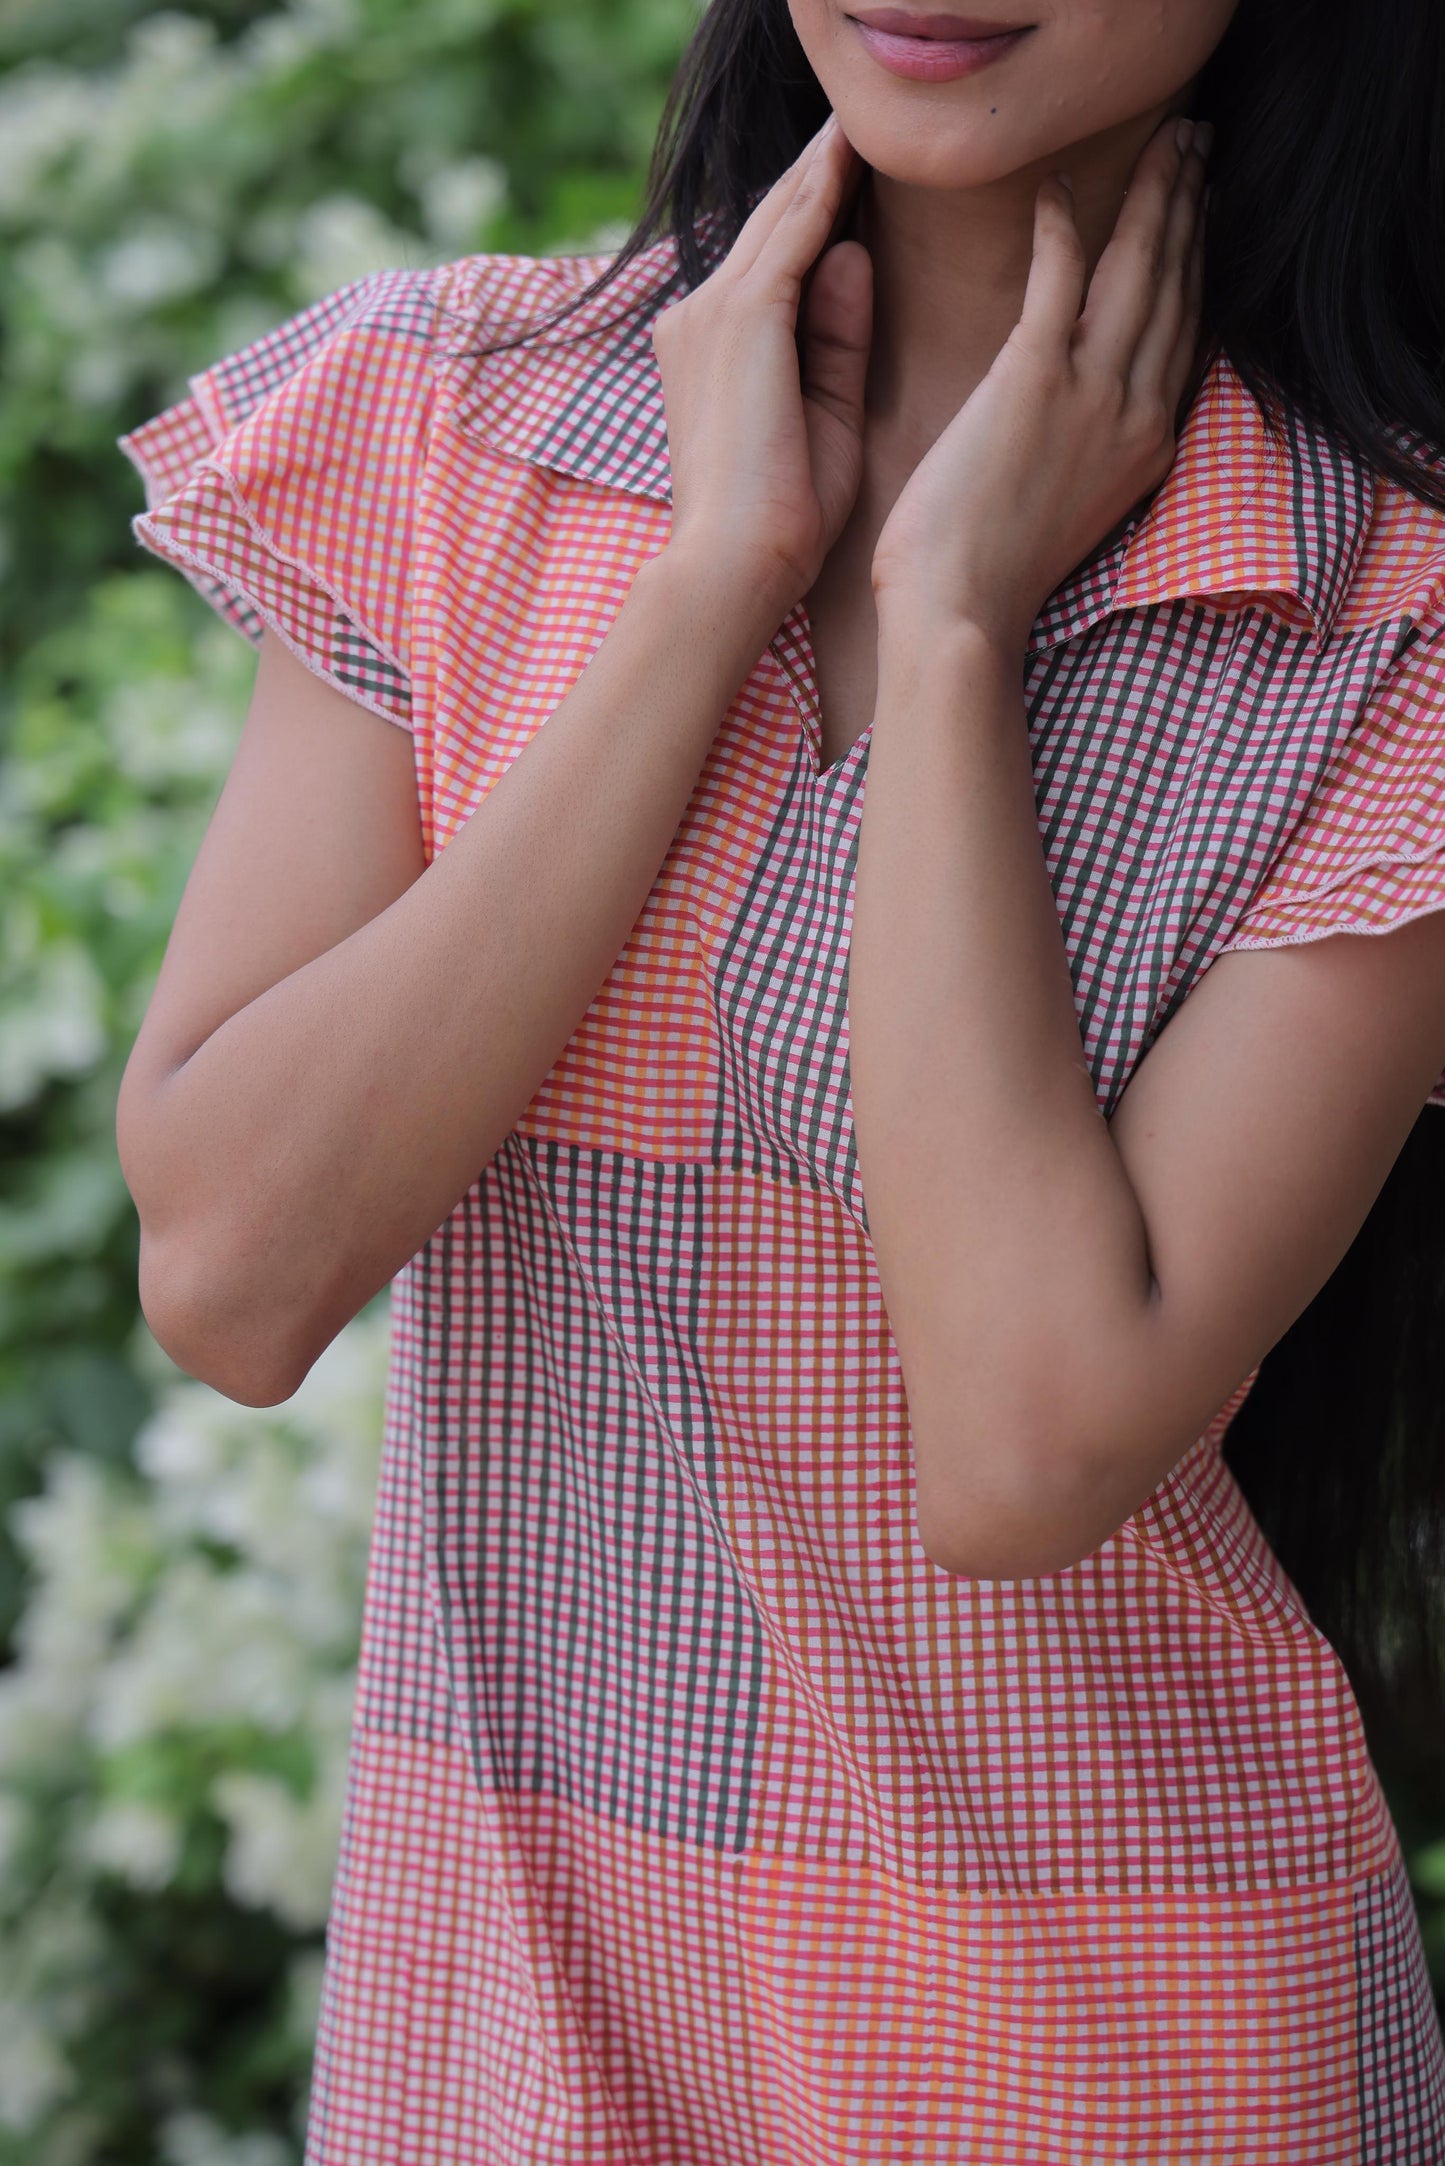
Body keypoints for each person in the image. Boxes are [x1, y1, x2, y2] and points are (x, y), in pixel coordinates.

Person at [113, 0, 1445, 2156]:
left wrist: (946, 632)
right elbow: (232, 1270)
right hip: (515, 2026)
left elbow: (1022, 1447)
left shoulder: (1382, 610)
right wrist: (710, 579)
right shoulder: (466, 424)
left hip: (1116, 2053)